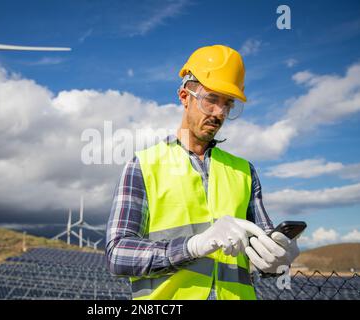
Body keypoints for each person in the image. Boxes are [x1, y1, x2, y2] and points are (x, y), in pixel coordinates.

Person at [105, 45, 300, 300]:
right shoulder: (144, 165)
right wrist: (193, 246)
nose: (219, 113)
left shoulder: (244, 171)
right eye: (211, 100)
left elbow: (262, 247)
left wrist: (277, 260)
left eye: (228, 104)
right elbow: (118, 254)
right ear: (185, 97)